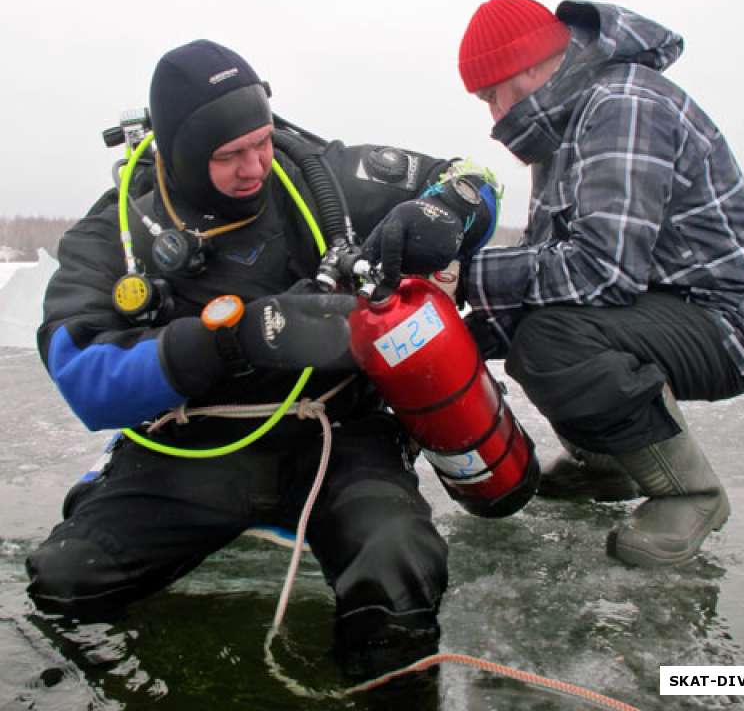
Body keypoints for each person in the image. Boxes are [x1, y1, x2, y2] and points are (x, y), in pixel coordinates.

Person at [26, 39, 500, 676]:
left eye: (262, 142)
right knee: (64, 581)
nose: (255, 167)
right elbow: (83, 376)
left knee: (398, 567)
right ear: (180, 154)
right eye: (229, 156)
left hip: (338, 435)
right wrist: (230, 339)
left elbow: (472, 173)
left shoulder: (318, 177)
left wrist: (449, 209)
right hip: (199, 445)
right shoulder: (117, 234)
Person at [445, 0, 744, 567]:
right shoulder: (563, 128)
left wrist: (462, 277)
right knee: (529, 327)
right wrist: (467, 331)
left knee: (553, 340)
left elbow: (600, 270)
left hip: (736, 321)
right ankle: (607, 466)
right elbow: (547, 264)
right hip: (664, 300)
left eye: (490, 95)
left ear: (528, 66)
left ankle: (690, 493)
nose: (492, 116)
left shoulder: (622, 104)